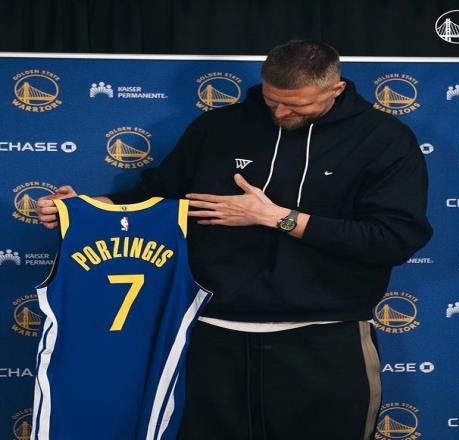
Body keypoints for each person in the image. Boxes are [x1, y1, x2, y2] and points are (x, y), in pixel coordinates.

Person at [37, 40, 432, 440]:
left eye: (297, 105)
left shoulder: (383, 139)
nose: (281, 113)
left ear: (337, 89)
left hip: (325, 339)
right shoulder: (217, 127)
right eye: (272, 101)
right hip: (213, 337)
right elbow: (155, 196)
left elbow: (393, 238)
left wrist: (273, 217)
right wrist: (82, 210)